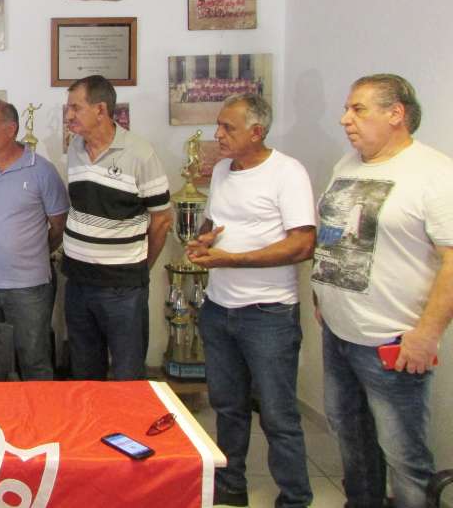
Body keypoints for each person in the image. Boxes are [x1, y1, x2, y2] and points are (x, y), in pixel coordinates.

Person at [311, 74, 453, 508]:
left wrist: (426, 334)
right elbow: (334, 235)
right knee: (353, 447)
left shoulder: (434, 173)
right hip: (339, 334)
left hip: (392, 341)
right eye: (346, 109)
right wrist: (322, 296)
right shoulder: (347, 164)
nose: (345, 119)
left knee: (404, 458)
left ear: (396, 114)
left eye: (358, 109)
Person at [186, 94, 316, 508]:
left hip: (268, 314)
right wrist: (206, 239)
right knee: (228, 406)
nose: (217, 135)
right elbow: (217, 221)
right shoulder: (223, 170)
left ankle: (295, 497)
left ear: (257, 132)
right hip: (219, 308)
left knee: (278, 416)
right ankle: (232, 486)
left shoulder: (287, 173)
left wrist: (231, 260)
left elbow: (301, 245)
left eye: (228, 128)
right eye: (218, 126)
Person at [62, 75, 172, 380]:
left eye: (75, 107)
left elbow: (162, 219)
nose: (68, 115)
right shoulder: (74, 148)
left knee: (127, 376)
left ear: (100, 109)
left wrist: (139, 266)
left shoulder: (140, 153)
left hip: (122, 289)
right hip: (78, 283)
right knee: (84, 374)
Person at [0, 98, 69, 380]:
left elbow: (59, 224)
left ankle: (39, 423)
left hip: (29, 288)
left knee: (34, 361)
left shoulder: (42, 170)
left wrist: (31, 253)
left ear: (10, 130)